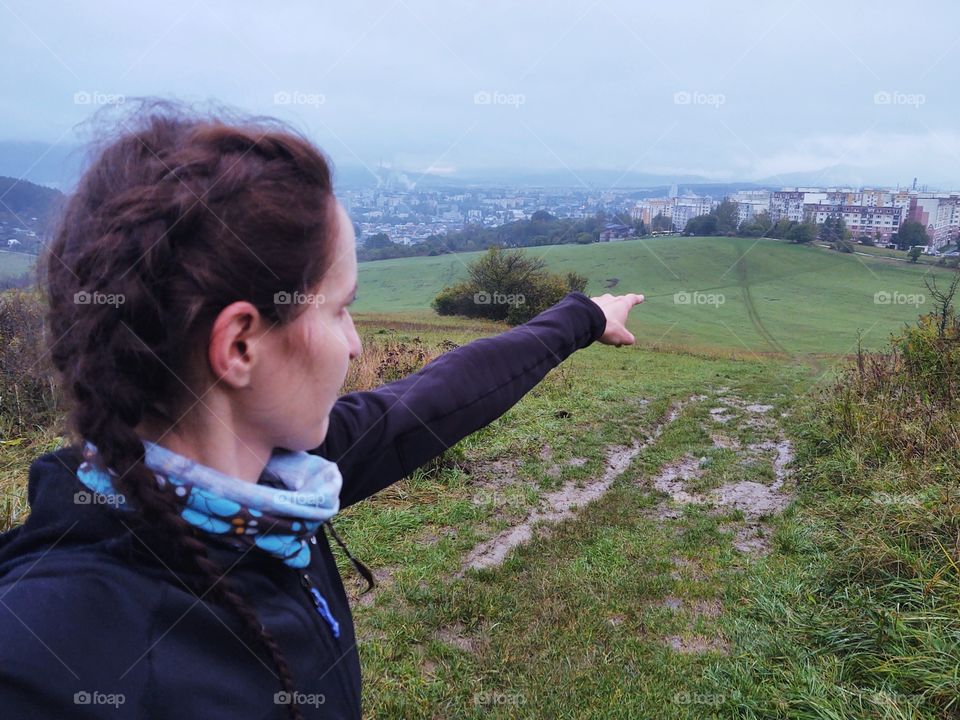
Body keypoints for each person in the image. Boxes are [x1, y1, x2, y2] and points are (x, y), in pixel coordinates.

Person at [0, 100, 644, 719]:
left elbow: (437, 396)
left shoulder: (270, 483)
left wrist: (584, 315)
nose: (356, 343)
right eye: (338, 309)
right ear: (241, 345)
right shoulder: (47, 655)